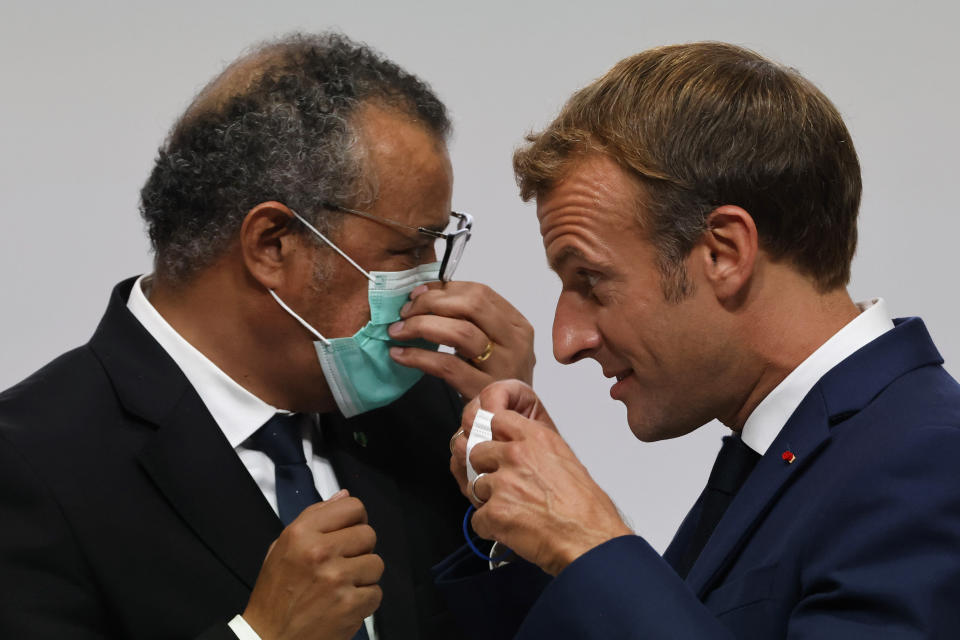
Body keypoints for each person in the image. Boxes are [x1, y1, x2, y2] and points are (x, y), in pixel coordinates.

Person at [0, 33, 535, 640]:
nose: (429, 290)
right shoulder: (26, 466)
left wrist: (524, 477)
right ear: (273, 245)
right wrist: (259, 636)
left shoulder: (426, 413)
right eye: (407, 248)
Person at [437, 41, 960, 638]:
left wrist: (589, 542)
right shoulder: (799, 452)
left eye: (591, 280)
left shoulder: (931, 465)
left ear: (723, 253)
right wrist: (534, 534)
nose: (566, 341)